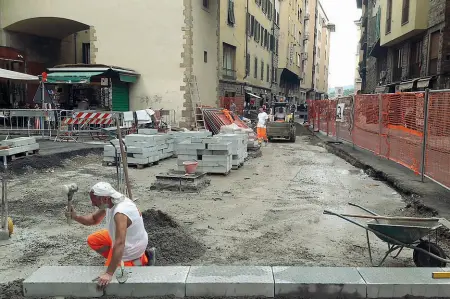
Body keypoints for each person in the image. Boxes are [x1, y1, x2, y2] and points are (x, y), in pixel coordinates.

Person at [66, 182, 155, 288]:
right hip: (128, 238)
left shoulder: (120, 212)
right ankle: (115, 258)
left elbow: (120, 243)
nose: (93, 204)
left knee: (109, 282)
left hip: (131, 247)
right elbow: (94, 219)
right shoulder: (111, 202)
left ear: (104, 199)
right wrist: (75, 217)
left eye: (95, 202)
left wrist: (109, 273)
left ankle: (140, 261)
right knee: (93, 240)